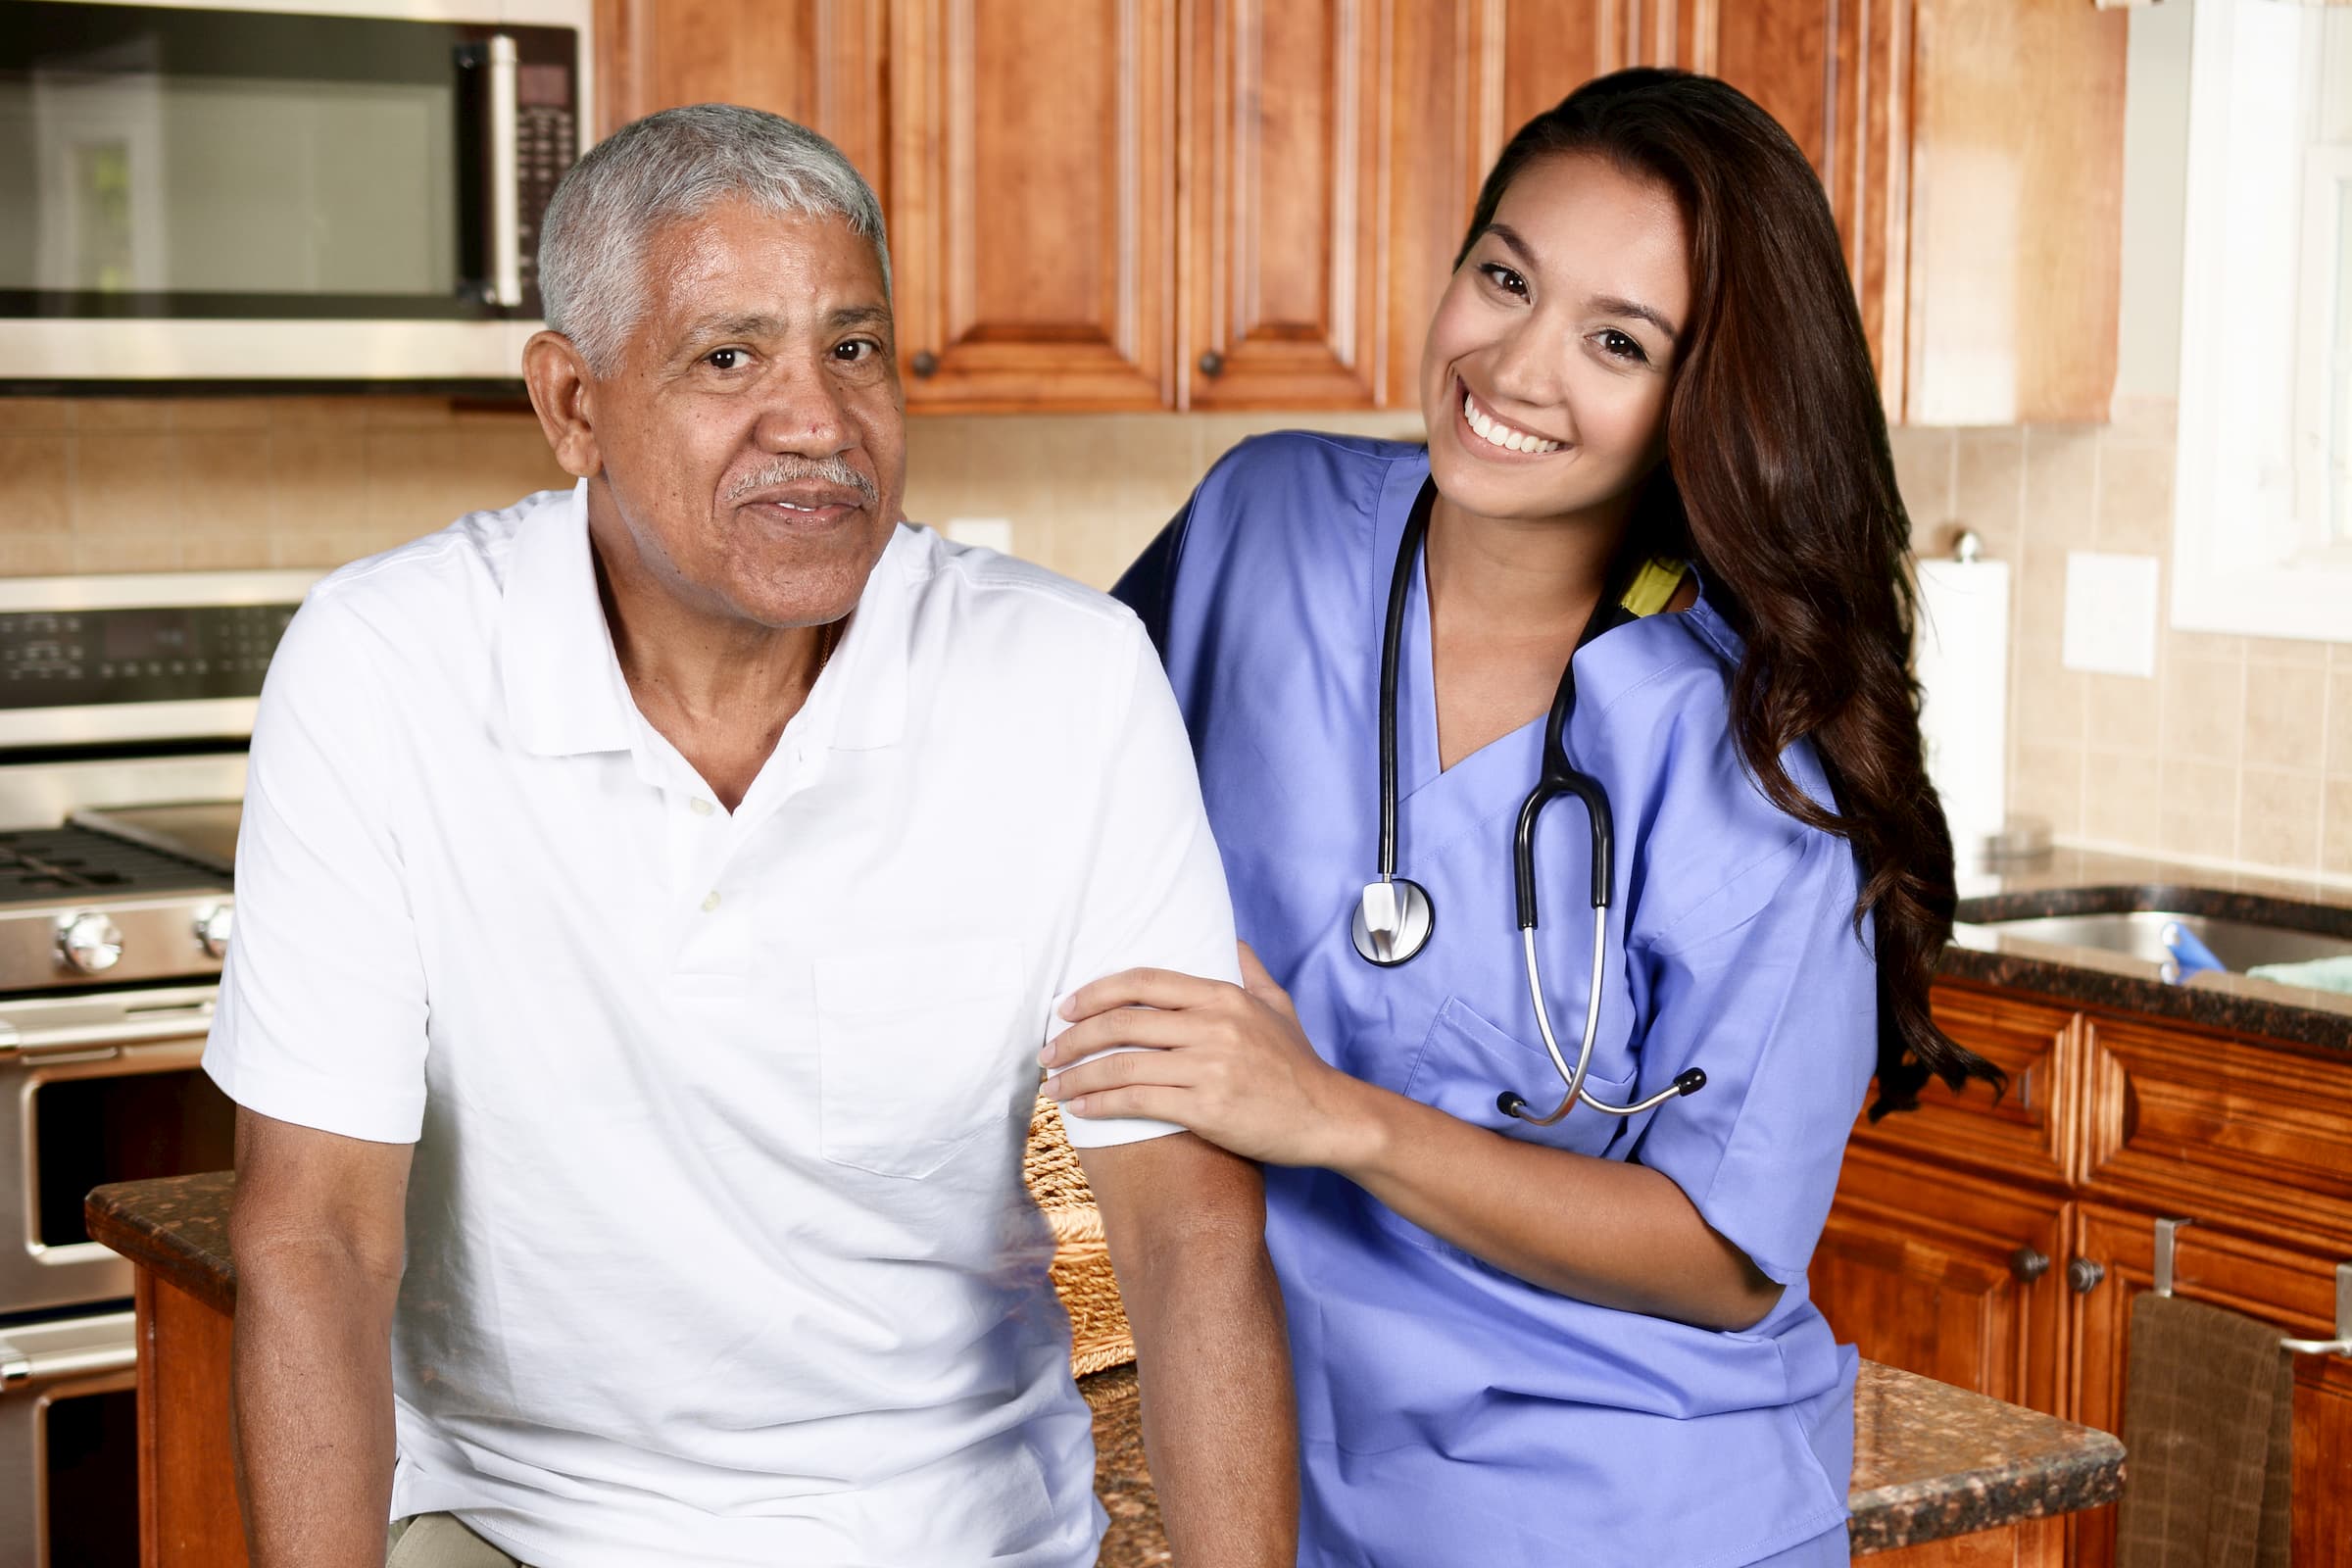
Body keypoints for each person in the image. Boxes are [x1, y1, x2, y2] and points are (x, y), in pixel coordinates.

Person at [206, 104, 1296, 1568]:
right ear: (573, 405)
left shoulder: (1072, 675)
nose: (819, 422)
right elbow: (314, 1242)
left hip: (953, 1531)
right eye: (730, 357)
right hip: (515, 1523)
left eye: (853, 347)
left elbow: (1185, 1233)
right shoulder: (382, 661)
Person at [1041, 69, 1999, 1567]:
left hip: (1636, 1508)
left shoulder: (1752, 753)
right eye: (1504, 278)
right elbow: (1040, 774)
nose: (1516, 365)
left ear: (1705, 397)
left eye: (1617, 341)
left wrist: (1337, 1119)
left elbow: (1725, 1256)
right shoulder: (1265, 522)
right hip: (1306, 1482)